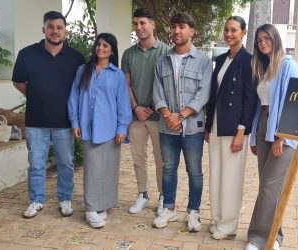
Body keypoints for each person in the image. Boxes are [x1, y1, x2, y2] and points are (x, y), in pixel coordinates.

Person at [12, 11, 84, 219]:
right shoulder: (27, 54)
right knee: (36, 164)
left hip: (64, 122)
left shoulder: (76, 57)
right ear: (44, 29)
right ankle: (36, 200)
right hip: (36, 122)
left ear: (65, 31)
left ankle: (65, 199)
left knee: (66, 163)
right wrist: (36, 95)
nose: (55, 31)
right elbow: (18, 82)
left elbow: (81, 87)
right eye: (51, 27)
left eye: (59, 27)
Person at [152, 12, 212, 232]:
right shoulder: (162, 61)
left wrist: (181, 115)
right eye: (174, 27)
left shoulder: (204, 62)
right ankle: (168, 208)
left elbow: (203, 94)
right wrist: (168, 115)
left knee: (194, 171)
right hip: (167, 128)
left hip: (193, 128)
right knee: (168, 169)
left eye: (182, 27)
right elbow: (157, 92)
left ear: (192, 31)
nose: (177, 31)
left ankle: (193, 211)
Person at [245, 24, 298, 250]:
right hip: (263, 128)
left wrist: (282, 136)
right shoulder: (266, 67)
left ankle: (259, 239)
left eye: (266, 38)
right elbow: (262, 105)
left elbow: (296, 105)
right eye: (259, 40)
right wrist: (255, 137)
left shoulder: (289, 67)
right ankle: (274, 235)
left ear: (276, 39)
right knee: (267, 186)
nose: (262, 43)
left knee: (270, 186)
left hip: (282, 132)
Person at [68, 33, 132, 228]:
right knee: (92, 170)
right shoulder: (83, 70)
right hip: (88, 128)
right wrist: (75, 122)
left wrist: (122, 128)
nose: (101, 48)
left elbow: (123, 103)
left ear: (112, 50)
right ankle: (91, 208)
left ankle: (102, 204)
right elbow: (73, 97)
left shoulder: (117, 75)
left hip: (111, 130)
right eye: (98, 44)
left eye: (105, 45)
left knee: (108, 170)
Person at [204, 16, 257, 240]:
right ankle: (218, 218)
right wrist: (208, 126)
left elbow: (250, 99)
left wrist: (241, 132)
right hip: (217, 124)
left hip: (235, 128)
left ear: (243, 32)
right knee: (216, 172)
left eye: (234, 30)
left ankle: (229, 225)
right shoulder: (221, 58)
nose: (228, 34)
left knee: (232, 177)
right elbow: (213, 96)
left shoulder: (249, 60)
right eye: (226, 30)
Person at [121, 8, 170, 215]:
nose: (139, 27)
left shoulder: (166, 52)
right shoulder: (128, 54)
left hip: (159, 117)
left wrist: (151, 108)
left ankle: (163, 196)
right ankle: (143, 194)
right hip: (136, 116)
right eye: (136, 24)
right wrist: (135, 107)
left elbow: (169, 86)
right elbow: (126, 85)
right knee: (138, 157)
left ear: (153, 24)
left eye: (143, 23)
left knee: (162, 160)